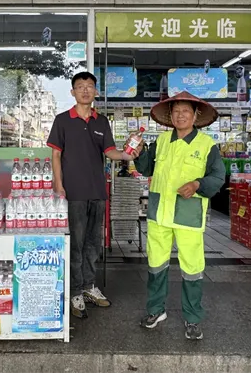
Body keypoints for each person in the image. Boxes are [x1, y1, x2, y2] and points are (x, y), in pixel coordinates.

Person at [133, 91, 225, 340]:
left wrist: (197, 184)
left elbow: (218, 176)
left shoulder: (206, 145)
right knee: (156, 265)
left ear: (195, 115)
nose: (180, 115)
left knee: (192, 268)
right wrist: (139, 152)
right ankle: (156, 310)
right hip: (159, 214)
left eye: (185, 111)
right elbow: (147, 168)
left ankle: (192, 318)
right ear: (170, 116)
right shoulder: (162, 141)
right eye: (176, 111)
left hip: (188, 215)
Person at [47, 71, 137, 319]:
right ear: (72, 92)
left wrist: (127, 154)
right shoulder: (62, 120)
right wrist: (59, 184)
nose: (85, 90)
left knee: (93, 244)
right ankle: (75, 291)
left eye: (89, 86)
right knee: (75, 244)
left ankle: (89, 286)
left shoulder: (101, 122)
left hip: (97, 191)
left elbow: (110, 152)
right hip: (74, 193)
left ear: (96, 91)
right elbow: (55, 155)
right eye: (80, 86)